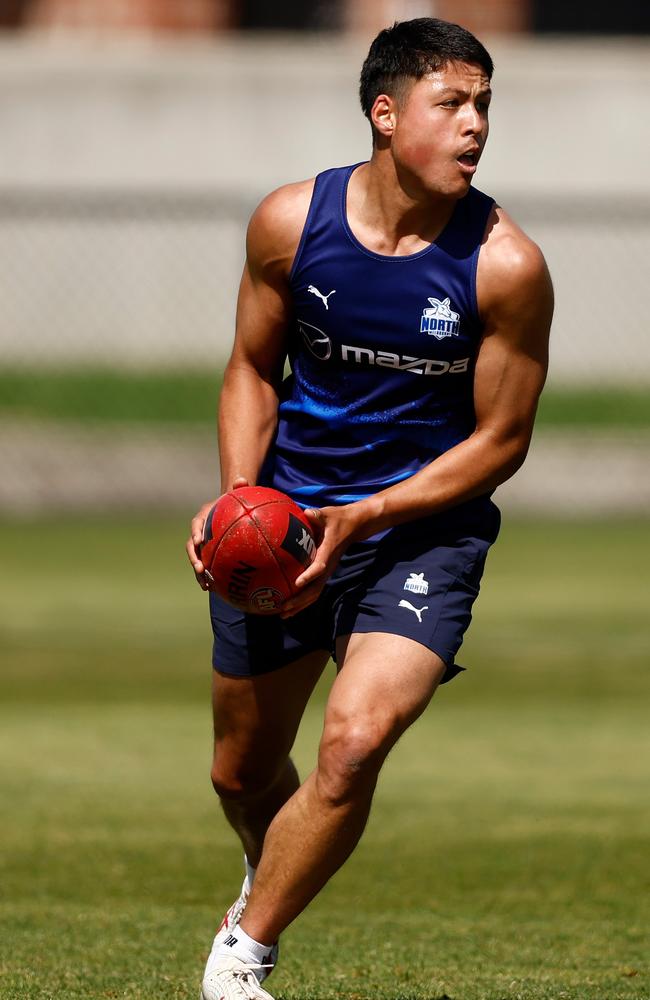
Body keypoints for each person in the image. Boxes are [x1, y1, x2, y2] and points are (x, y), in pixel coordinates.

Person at [186, 17, 553, 1000]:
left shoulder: (504, 264)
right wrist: (239, 496)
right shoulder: (286, 223)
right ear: (385, 114)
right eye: (452, 103)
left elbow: (498, 440)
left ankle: (241, 955)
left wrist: (373, 510)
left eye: (483, 105)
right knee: (239, 773)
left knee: (348, 747)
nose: (475, 126)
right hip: (288, 531)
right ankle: (267, 875)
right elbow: (249, 368)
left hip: (418, 535)